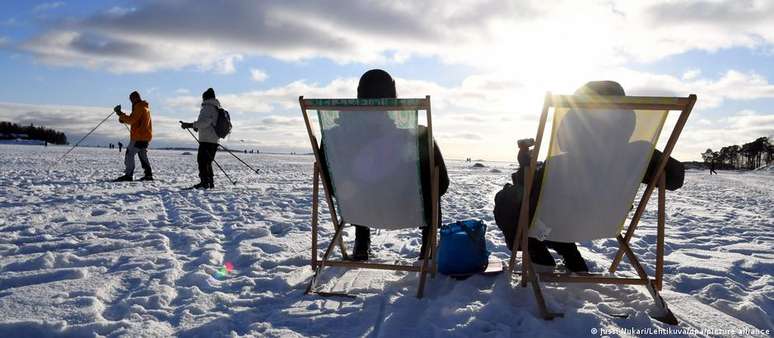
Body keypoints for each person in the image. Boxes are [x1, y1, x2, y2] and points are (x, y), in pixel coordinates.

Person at [319, 69, 450, 261]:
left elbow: (331, 186)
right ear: (393, 98)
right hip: (405, 205)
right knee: (432, 174)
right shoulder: (417, 138)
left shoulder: (333, 137)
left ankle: (361, 243)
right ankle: (427, 245)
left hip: (356, 206)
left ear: (359, 96)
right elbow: (442, 184)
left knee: (356, 185)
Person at [180, 88, 221, 189]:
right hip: (213, 139)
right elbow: (208, 123)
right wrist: (196, 127)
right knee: (207, 162)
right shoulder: (215, 107)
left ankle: (204, 183)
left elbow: (205, 122)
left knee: (202, 161)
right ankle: (209, 182)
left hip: (207, 140)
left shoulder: (208, 107)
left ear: (205, 97)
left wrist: (190, 125)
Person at [113, 91, 153, 182]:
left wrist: (120, 113)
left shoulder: (139, 107)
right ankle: (148, 174)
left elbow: (131, 120)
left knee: (129, 154)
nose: (131, 101)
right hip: (145, 137)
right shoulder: (144, 107)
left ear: (134, 99)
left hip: (138, 137)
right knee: (142, 155)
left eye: (131, 99)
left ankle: (128, 175)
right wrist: (123, 118)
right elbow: (135, 120)